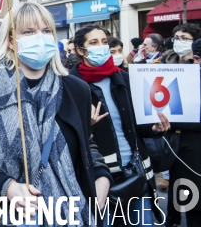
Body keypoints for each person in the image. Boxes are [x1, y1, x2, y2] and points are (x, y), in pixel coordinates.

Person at [0, 2, 111, 226]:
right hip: (3, 215)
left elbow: (87, 143)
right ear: (10, 40)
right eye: (29, 31)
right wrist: (5, 186)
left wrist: (102, 177)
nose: (40, 37)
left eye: (46, 31)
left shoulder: (76, 90)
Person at [70, 24, 170, 225]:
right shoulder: (71, 85)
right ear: (81, 50)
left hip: (136, 172)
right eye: (94, 42)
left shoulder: (123, 78)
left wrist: (153, 129)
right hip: (101, 179)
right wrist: (86, 124)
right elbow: (69, 136)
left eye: (104, 42)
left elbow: (134, 123)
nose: (101, 47)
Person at [162, 26, 201, 227]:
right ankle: (173, 219)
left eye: (184, 38)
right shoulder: (167, 64)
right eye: (176, 37)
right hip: (180, 147)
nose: (178, 41)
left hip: (192, 146)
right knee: (183, 193)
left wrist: (172, 121)